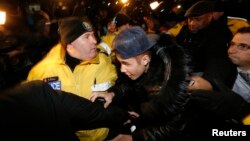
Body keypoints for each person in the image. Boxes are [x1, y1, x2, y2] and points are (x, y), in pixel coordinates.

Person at [91, 26, 191, 140]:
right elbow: (126, 85)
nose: (122, 69)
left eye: (126, 63)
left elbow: (174, 127)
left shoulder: (168, 82)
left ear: (145, 60)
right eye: (120, 63)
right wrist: (112, 94)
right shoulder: (139, 70)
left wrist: (135, 137)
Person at [26, 17, 117, 141]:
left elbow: (117, 89)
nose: (95, 40)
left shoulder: (103, 61)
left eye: (93, 35)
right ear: (69, 45)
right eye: (87, 36)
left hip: (105, 135)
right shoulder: (42, 72)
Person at [176, 0, 236, 87]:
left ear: (210, 16)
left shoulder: (221, 32)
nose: (192, 23)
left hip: (204, 74)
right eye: (190, 19)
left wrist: (206, 84)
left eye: (198, 19)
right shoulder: (185, 30)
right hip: (184, 70)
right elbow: (175, 47)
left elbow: (217, 62)